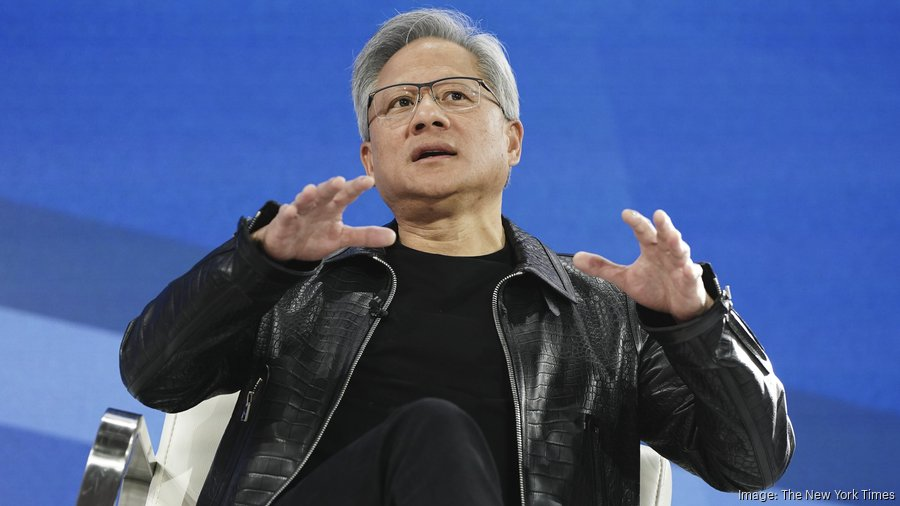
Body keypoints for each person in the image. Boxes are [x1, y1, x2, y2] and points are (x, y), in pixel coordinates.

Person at [120, 8, 794, 506]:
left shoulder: (605, 319)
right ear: (370, 157)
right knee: (433, 431)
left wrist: (694, 322)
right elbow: (155, 377)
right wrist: (261, 266)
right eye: (399, 104)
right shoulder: (299, 289)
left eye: (455, 96)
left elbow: (752, 464)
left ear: (513, 140)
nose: (426, 115)